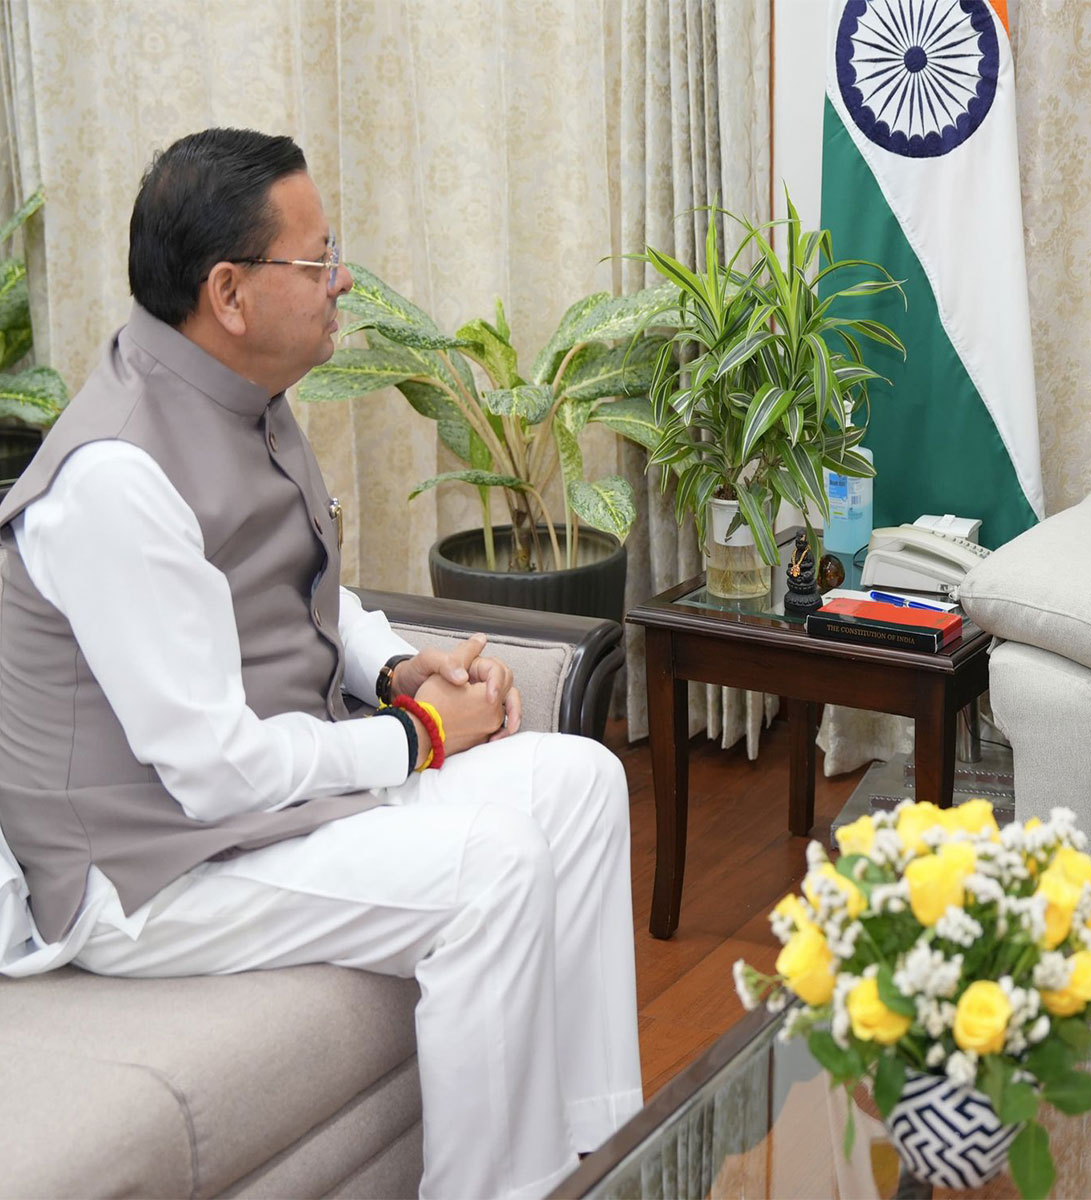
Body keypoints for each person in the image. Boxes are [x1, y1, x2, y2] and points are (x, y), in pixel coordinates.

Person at [0, 128, 641, 1198]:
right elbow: (210, 774)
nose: (341, 278)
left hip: (253, 807)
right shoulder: (113, 478)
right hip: (148, 870)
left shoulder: (239, 392)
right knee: (490, 867)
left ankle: (600, 1159)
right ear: (229, 293)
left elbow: (303, 583)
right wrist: (421, 739)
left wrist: (399, 670)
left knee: (580, 781)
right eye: (317, 258)